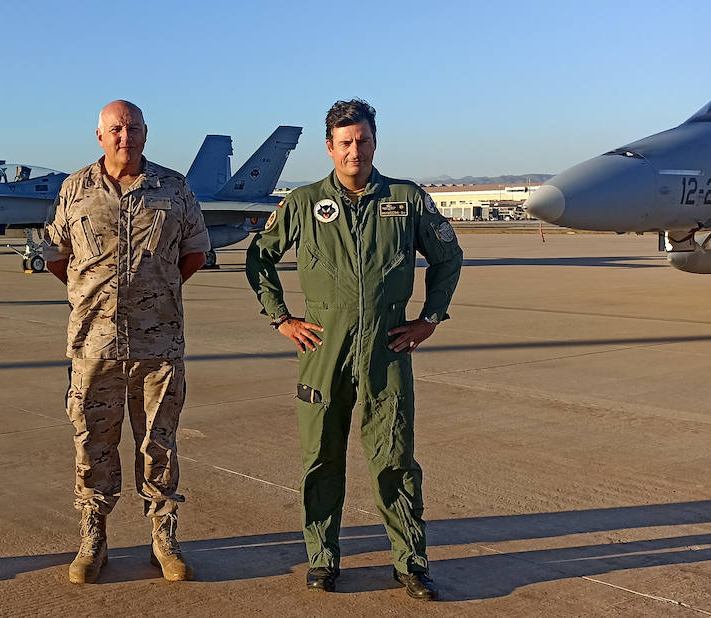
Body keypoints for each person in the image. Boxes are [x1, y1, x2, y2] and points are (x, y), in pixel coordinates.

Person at [244, 99, 462, 601]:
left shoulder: (406, 199)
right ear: (329, 147)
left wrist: (429, 318)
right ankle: (322, 559)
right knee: (321, 457)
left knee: (395, 458)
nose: (354, 151)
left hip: (387, 347)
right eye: (345, 142)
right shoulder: (303, 202)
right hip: (324, 348)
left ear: (374, 142)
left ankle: (410, 563)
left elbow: (448, 257)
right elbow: (260, 257)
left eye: (362, 140)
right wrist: (281, 317)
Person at [41, 100, 210, 584]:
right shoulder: (75, 188)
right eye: (115, 129)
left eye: (133, 128)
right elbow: (56, 255)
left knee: (160, 443)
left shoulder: (173, 187)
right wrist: (91, 296)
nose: (125, 136)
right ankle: (93, 538)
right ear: (100, 136)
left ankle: (164, 538)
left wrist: (153, 295)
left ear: (145, 133)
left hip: (158, 345)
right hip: (92, 345)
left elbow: (195, 253)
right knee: (92, 442)